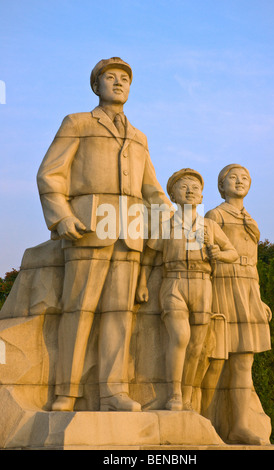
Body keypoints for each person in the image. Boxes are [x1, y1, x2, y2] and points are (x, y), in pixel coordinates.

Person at [37, 57, 171, 412]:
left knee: (118, 313)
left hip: (130, 231)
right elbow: (50, 174)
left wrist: (167, 217)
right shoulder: (77, 122)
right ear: (96, 86)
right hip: (88, 227)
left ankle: (113, 391)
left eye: (124, 78)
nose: (118, 83)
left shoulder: (139, 136)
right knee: (78, 310)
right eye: (109, 77)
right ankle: (67, 392)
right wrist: (60, 216)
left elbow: (152, 188)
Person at [136, 168, 238, 411]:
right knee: (180, 337)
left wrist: (219, 254)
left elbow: (233, 252)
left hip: (203, 283)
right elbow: (149, 257)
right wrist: (141, 283)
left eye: (195, 187)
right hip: (174, 282)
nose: (191, 190)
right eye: (184, 186)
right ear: (173, 195)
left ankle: (189, 394)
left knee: (197, 346)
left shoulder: (210, 226)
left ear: (202, 196)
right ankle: (174, 394)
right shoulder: (166, 224)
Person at [205, 163, 271, 444]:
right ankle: (205, 421)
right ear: (221, 186)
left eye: (245, 178)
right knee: (217, 360)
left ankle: (240, 426)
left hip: (247, 288)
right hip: (223, 284)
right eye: (232, 177)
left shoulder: (251, 219)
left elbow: (254, 263)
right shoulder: (214, 215)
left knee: (245, 362)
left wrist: (258, 297)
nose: (239, 181)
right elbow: (205, 257)